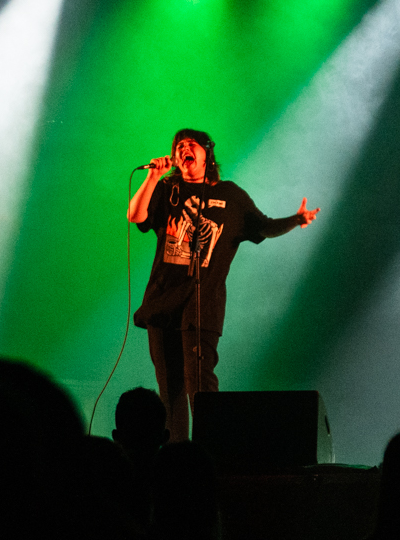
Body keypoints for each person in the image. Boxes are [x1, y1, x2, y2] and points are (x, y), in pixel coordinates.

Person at [127, 128, 318, 443]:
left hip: (202, 306)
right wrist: (153, 177)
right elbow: (135, 216)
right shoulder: (167, 188)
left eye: (191, 144)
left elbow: (264, 226)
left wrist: (296, 220)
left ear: (207, 153)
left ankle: (210, 455)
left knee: (200, 387)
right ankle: (176, 457)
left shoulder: (231, 196)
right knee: (170, 392)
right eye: (179, 146)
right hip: (162, 304)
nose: (184, 148)